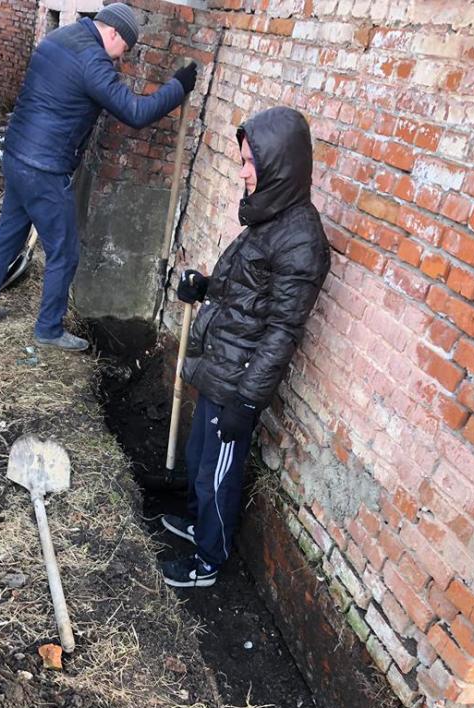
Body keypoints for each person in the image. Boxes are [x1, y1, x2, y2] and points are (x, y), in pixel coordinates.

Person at [161, 106, 331, 588]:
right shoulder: (269, 217)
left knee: (217, 475)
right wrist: (204, 287)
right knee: (199, 458)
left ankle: (207, 561)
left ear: (280, 165)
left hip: (238, 383)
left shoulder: (301, 241)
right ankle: (196, 523)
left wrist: (248, 401)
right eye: (242, 161)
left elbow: (282, 331)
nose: (243, 172)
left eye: (251, 162)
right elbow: (244, 294)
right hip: (220, 368)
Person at [0, 3, 197, 350]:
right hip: (44, 169)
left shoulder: (60, 38)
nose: (121, 58)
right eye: (124, 49)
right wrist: (178, 87)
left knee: (8, 234)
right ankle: (49, 330)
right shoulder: (92, 59)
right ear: (113, 33)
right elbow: (135, 112)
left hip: (17, 155)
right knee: (64, 252)